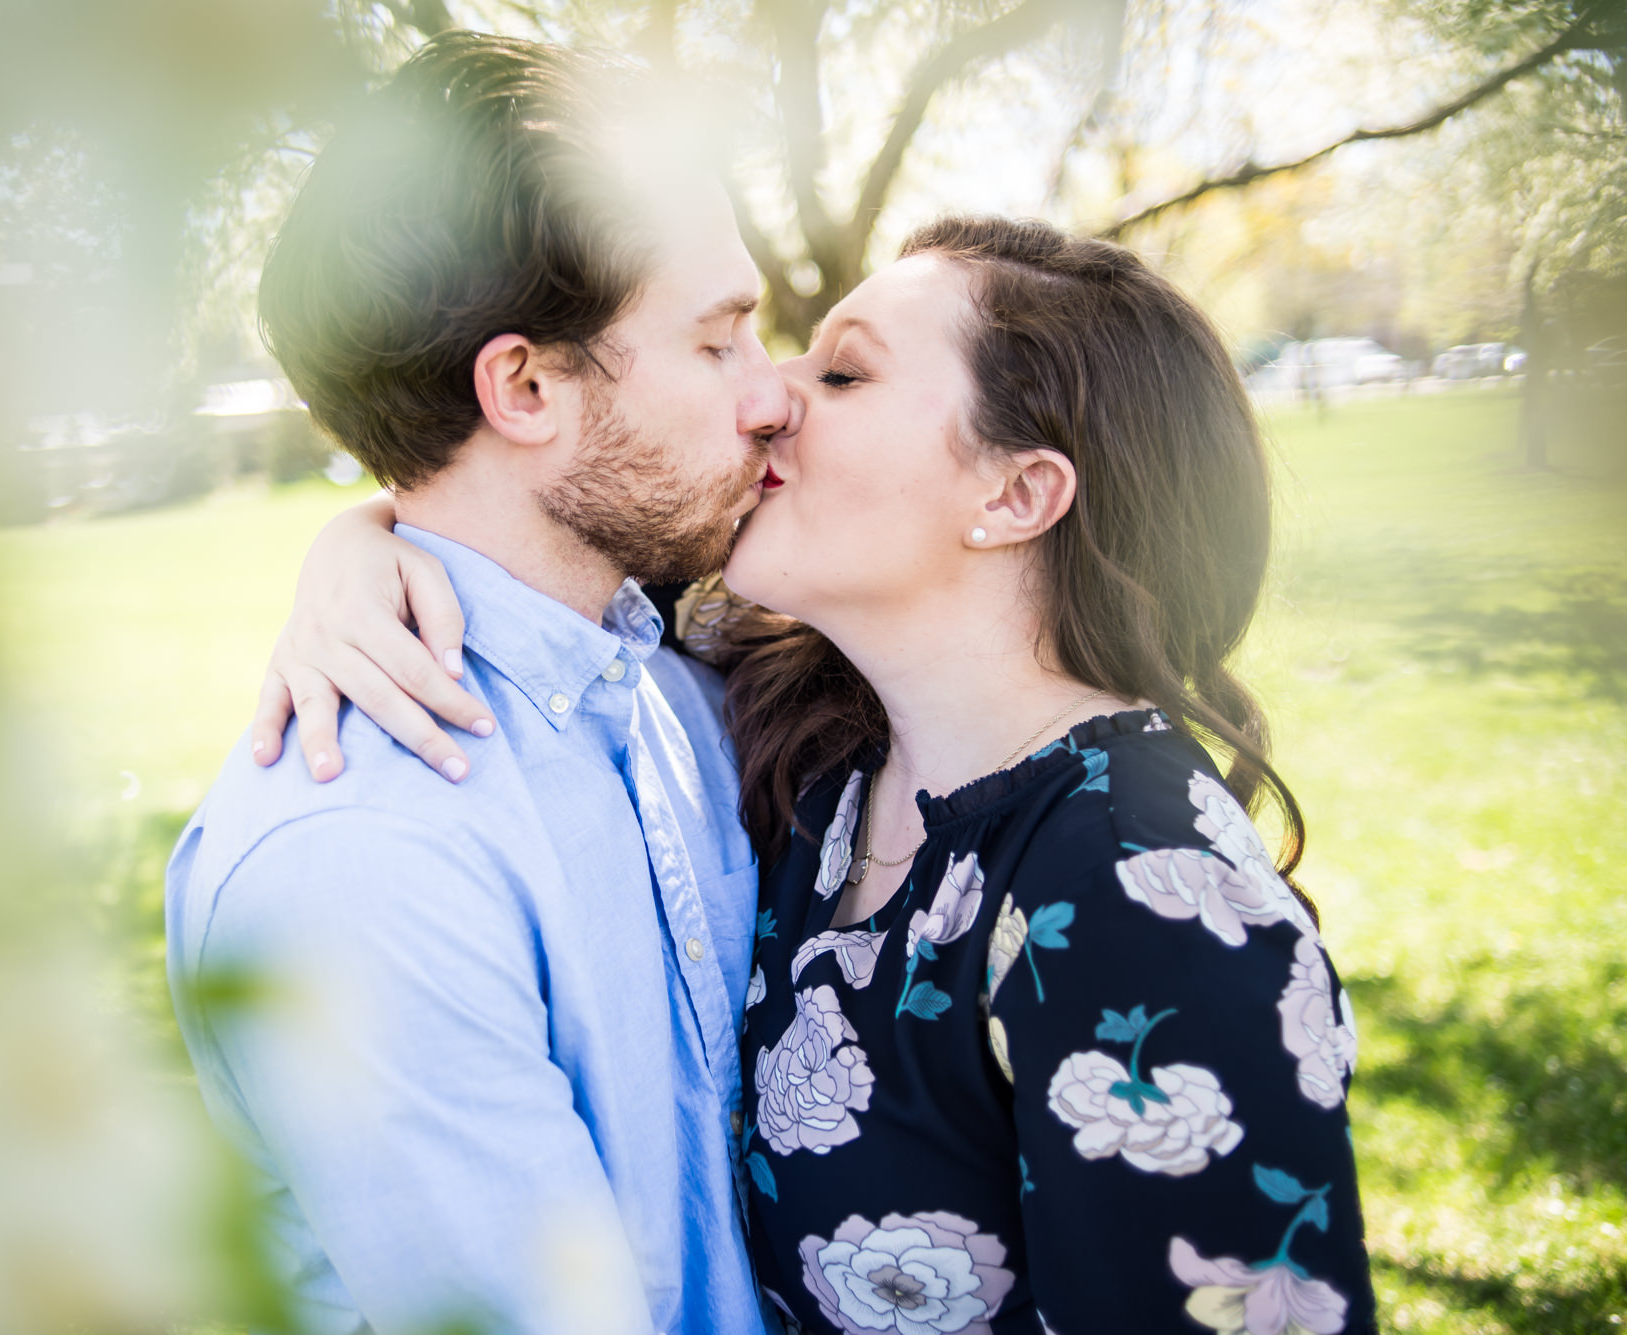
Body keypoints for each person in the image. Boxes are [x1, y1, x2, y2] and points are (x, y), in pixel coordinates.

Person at [257, 216, 1379, 1332]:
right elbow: (522, 545)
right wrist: (366, 545)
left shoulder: (1141, 888)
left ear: (1012, 497)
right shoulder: (809, 740)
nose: (769, 396)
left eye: (841, 373)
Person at [165, 32, 789, 1335]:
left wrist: (356, 539)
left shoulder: (677, 690)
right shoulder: (372, 857)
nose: (774, 396)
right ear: (525, 385)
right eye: (722, 341)